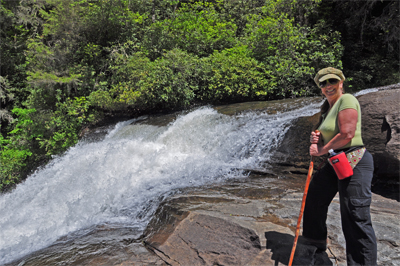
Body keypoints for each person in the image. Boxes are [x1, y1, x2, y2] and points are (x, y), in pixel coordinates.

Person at [302, 67, 377, 265]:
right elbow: (328, 139)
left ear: (341, 83)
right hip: (336, 161)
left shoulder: (347, 100)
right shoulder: (327, 109)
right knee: (315, 196)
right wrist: (316, 140)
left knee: (355, 215)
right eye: (323, 83)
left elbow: (347, 135)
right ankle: (314, 241)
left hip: (355, 161)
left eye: (332, 81)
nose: (328, 86)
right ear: (320, 88)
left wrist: (321, 150)